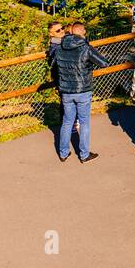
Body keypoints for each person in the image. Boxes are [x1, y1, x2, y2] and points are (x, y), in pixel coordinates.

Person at [54, 22, 110, 163]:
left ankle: (63, 153)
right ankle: (84, 154)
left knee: (67, 122)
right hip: (83, 89)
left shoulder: (59, 47)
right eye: (85, 31)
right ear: (82, 33)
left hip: (66, 90)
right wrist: (88, 64)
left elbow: (54, 64)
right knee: (84, 122)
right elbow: (103, 63)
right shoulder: (85, 48)